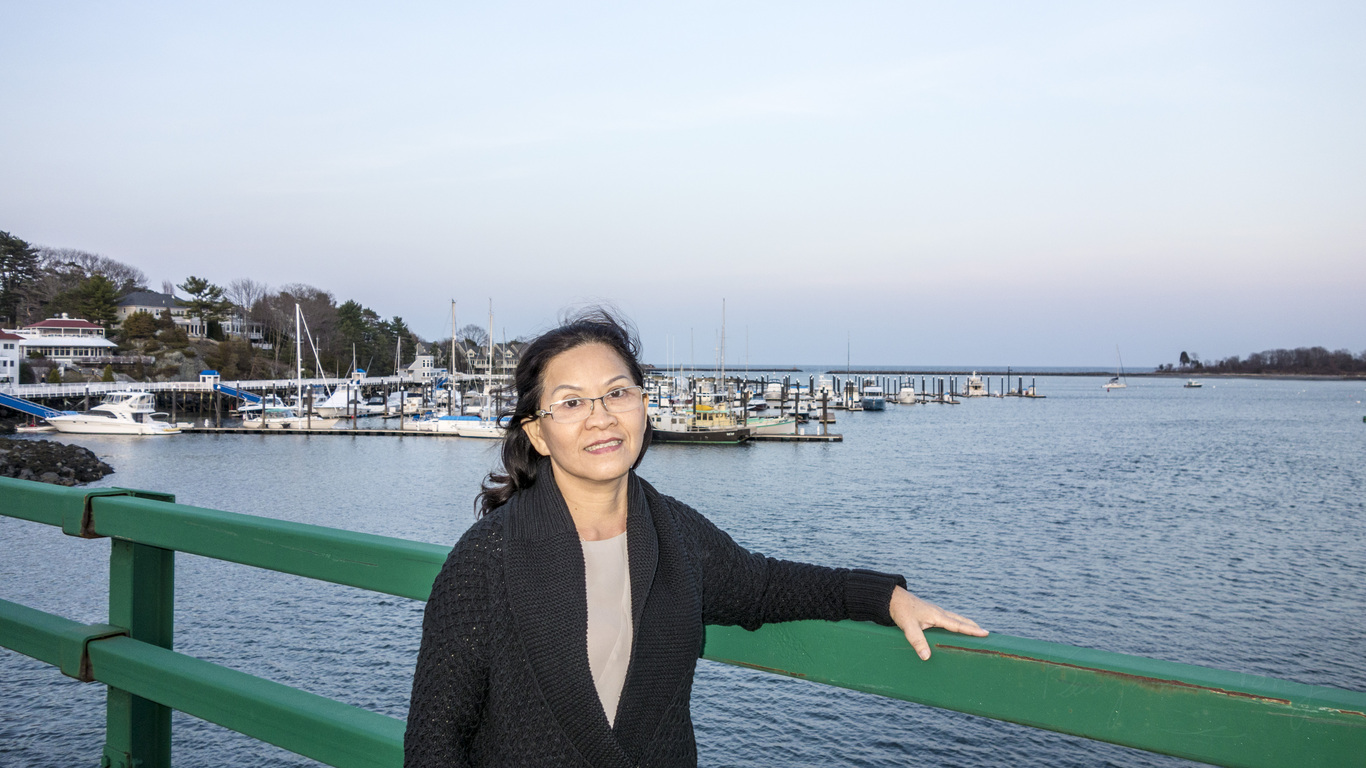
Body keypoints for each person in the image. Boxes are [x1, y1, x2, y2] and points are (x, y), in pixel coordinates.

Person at [405, 308, 986, 768]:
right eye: (572, 402)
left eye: (617, 392)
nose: (601, 417)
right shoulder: (485, 559)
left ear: (643, 405)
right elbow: (434, 742)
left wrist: (883, 597)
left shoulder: (676, 534)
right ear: (536, 433)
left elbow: (765, 587)